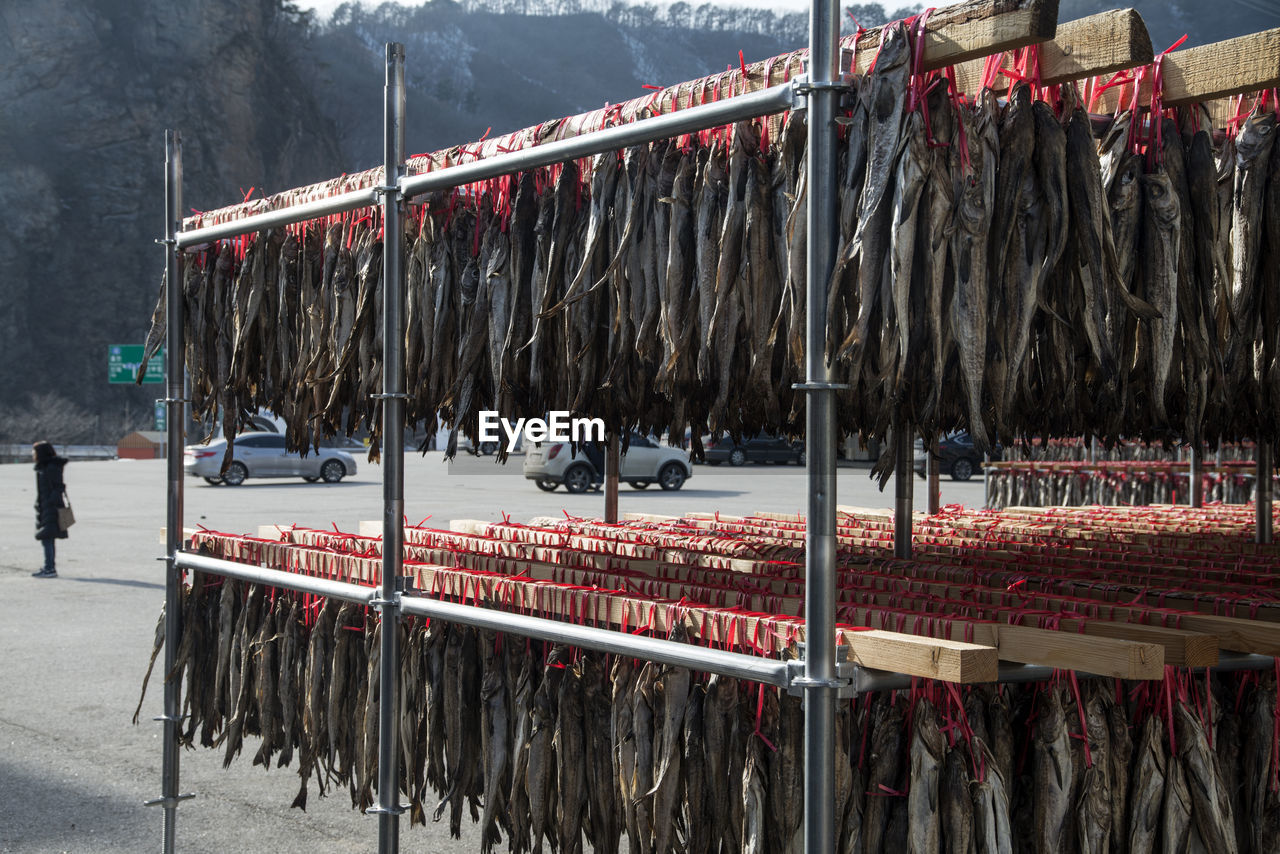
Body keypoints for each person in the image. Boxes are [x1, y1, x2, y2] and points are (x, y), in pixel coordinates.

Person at [32, 440, 68, 578]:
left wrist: (50, 502)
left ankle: (49, 568)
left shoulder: (50, 467)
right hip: (46, 506)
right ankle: (49, 566)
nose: (33, 454)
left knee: (46, 536)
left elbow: (59, 486)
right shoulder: (44, 467)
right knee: (47, 537)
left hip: (51, 507)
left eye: (35, 451)